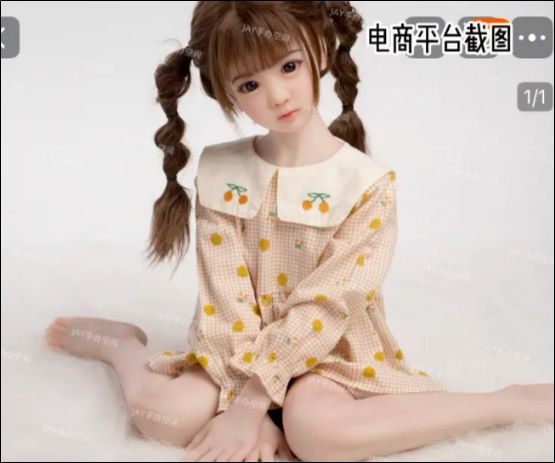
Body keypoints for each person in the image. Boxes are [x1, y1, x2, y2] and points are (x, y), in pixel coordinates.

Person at [45, 2, 553, 461]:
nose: (278, 95)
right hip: (235, 348)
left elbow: (329, 304)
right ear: (225, 93)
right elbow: (225, 298)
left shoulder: (366, 184)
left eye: (289, 66)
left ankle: (503, 402)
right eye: (249, 85)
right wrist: (250, 408)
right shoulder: (221, 171)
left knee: (317, 433)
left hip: (329, 352)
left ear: (319, 51)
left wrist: (251, 407)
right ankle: (123, 347)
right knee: (167, 417)